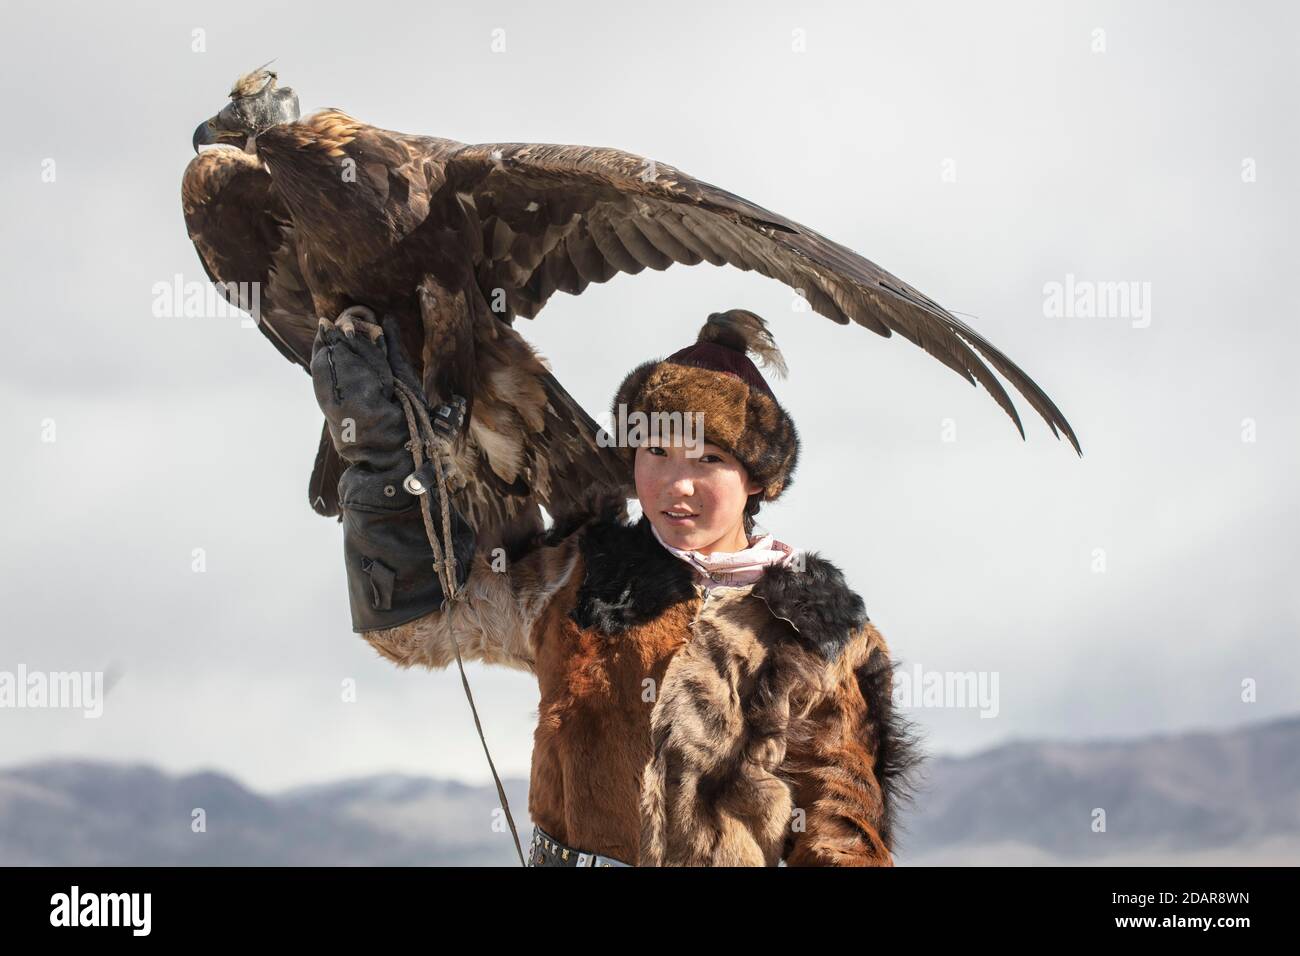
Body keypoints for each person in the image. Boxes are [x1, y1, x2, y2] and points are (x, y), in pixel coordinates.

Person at [310, 307, 923, 866]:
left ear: (759, 479)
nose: (676, 484)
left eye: (708, 460)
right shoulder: (578, 576)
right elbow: (412, 631)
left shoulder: (817, 632)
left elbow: (841, 838)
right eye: (656, 450)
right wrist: (382, 470)